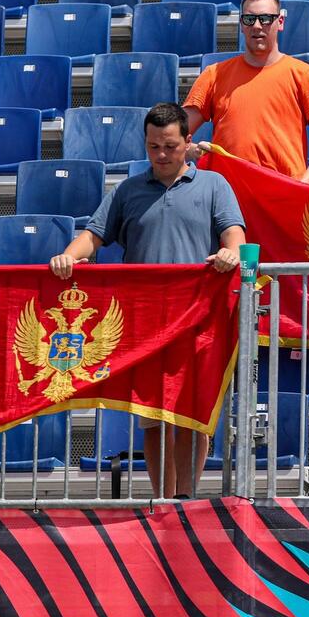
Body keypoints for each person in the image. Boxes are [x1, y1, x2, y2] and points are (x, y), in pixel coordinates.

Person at [49, 103, 246, 499]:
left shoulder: (214, 185)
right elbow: (93, 235)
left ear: (187, 142)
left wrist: (232, 254)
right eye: (154, 146)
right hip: (145, 324)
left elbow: (235, 237)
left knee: (191, 416)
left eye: (170, 146)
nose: (161, 154)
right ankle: (161, 498)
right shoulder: (128, 189)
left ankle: (185, 499)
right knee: (152, 418)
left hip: (197, 320)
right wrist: (69, 255)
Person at [183, 0, 309, 185]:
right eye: (249, 19)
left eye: (265, 18)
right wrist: (194, 151)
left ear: (280, 22)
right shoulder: (214, 75)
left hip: (283, 194)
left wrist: (302, 187)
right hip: (229, 196)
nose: (257, 26)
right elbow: (173, 135)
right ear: (241, 24)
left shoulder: (303, 74)